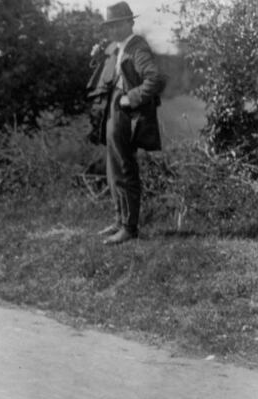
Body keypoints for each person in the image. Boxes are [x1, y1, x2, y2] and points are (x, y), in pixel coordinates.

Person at [90, 2, 165, 245]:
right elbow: (109, 72)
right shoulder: (118, 47)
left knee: (124, 168)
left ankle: (129, 228)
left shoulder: (137, 47)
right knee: (113, 170)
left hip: (125, 113)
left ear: (128, 23)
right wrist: (97, 56)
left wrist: (131, 98)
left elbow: (155, 80)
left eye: (115, 25)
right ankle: (119, 220)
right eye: (109, 26)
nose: (111, 31)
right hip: (112, 111)